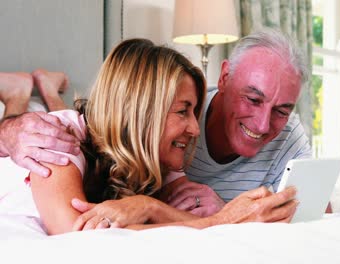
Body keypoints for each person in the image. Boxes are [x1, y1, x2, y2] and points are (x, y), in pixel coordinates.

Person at [0, 38, 298, 235]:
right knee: (55, 120)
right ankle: (21, 94)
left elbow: (186, 214)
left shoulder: (155, 154)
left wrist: (157, 208)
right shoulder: (54, 139)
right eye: (183, 111)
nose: (195, 129)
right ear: (143, 111)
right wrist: (222, 220)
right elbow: (76, 235)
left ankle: (46, 90)